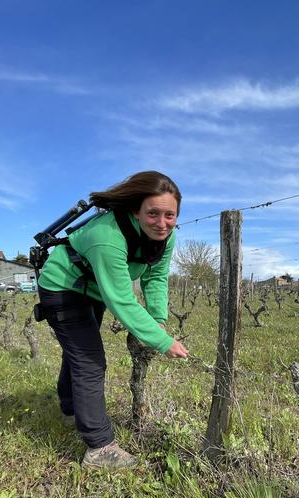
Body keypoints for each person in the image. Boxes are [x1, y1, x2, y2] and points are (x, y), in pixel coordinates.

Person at [37, 171, 189, 468]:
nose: (162, 223)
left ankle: (70, 409)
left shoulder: (166, 237)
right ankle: (99, 448)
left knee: (79, 352)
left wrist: (157, 318)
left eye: (169, 215)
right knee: (89, 359)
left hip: (91, 290)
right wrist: (162, 341)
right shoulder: (107, 237)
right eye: (153, 214)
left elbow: (156, 276)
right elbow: (121, 299)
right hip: (62, 288)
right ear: (136, 210)